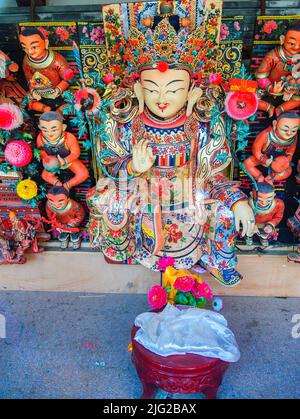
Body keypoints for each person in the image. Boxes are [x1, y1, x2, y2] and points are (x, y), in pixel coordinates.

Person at [86, 18, 256, 286]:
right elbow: (109, 165)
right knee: (107, 198)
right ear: (140, 90)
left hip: (191, 198)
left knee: (224, 210)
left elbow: (213, 174)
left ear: (191, 91)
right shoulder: (126, 120)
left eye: (173, 89)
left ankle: (217, 261)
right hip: (142, 198)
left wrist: (237, 201)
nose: (162, 98)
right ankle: (126, 249)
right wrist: (132, 167)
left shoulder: (204, 122)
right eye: (152, 89)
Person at [19, 27, 73, 113]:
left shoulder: (57, 59)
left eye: (34, 47)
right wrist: (33, 91)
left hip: (57, 93)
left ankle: (57, 115)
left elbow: (68, 78)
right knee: (25, 105)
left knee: (70, 103)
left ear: (45, 43)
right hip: (39, 94)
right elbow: (29, 80)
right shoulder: (26, 61)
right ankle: (46, 112)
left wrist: (58, 90)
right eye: (24, 47)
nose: (29, 51)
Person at [256, 22, 300, 116]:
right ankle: (267, 107)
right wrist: (271, 87)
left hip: (290, 91)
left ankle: (280, 109)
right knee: (251, 97)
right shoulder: (273, 56)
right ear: (283, 39)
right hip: (268, 90)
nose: (296, 47)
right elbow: (260, 76)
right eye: (291, 43)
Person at [37, 111, 89, 191]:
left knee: (83, 173)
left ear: (63, 127)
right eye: (45, 130)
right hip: (52, 163)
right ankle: (58, 184)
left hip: (68, 160)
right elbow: (41, 151)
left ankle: (67, 185)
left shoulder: (68, 137)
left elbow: (75, 153)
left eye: (54, 130)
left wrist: (64, 161)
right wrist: (47, 159)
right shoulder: (40, 138)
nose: (49, 133)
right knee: (45, 175)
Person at [243, 112, 300, 184]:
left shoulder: (293, 138)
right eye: (285, 130)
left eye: (294, 131)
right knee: (247, 164)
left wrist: (286, 160)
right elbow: (256, 150)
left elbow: (290, 152)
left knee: (288, 171)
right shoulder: (266, 134)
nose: (289, 133)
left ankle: (270, 179)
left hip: (279, 160)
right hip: (264, 157)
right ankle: (259, 177)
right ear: (275, 124)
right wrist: (264, 160)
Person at [247, 182, 284, 246]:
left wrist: (270, 225)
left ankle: (263, 238)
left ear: (274, 195)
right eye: (260, 200)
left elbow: (278, 217)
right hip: (251, 224)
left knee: (265, 234)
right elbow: (245, 216)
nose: (264, 203)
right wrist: (251, 224)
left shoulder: (279, 204)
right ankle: (248, 237)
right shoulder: (246, 203)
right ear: (252, 194)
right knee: (248, 232)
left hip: (266, 225)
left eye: (268, 200)